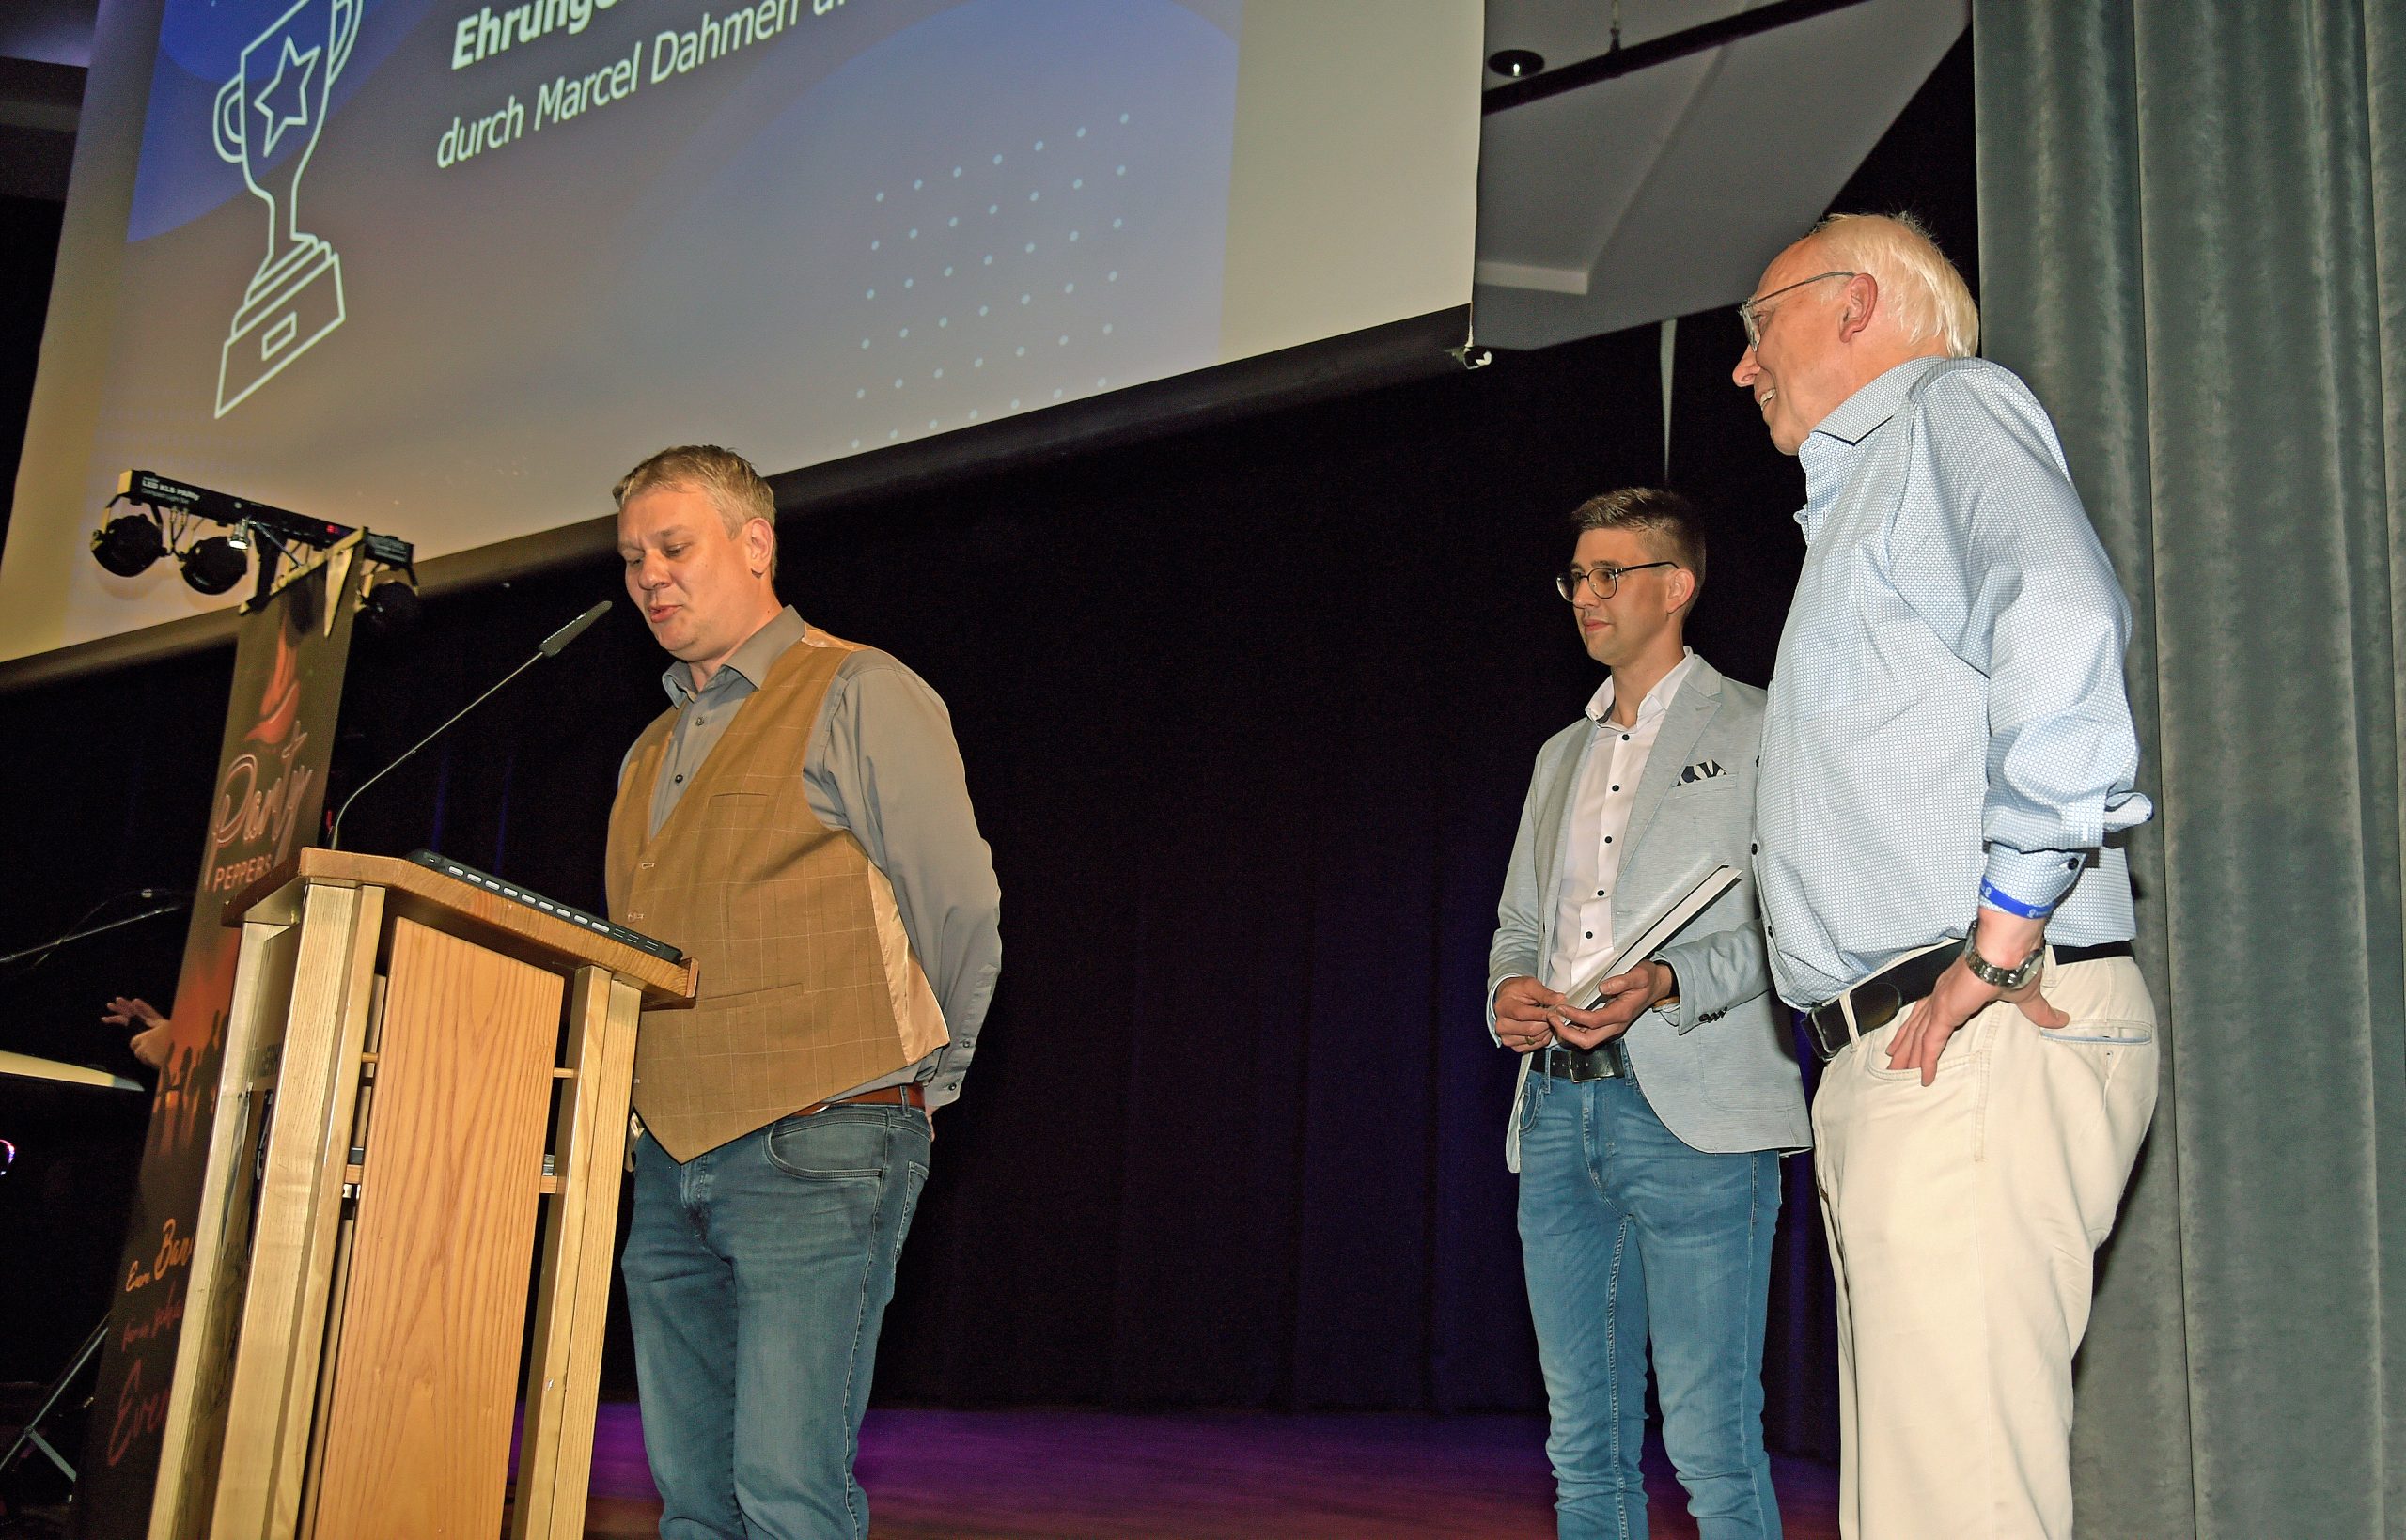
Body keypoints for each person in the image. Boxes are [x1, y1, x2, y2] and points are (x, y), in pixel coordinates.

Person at [1733, 212, 2157, 1540]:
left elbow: (2062, 611)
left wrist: (2001, 932)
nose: (1742, 366)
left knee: (1955, 1505)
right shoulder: (1865, 499)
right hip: (1908, 1048)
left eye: (1758, 326)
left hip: (1969, 1026)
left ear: (1855, 304)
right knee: (1921, 1502)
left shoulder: (1945, 409)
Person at [603, 444, 1001, 1540]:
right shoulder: (645, 751)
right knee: (694, 1503)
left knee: (787, 1494)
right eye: (632, 558)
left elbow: (958, 903)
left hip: (822, 1136)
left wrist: (924, 1077)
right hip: (666, 1157)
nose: (648, 575)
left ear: (754, 544)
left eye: (672, 546)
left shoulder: (858, 689)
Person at [1489, 489, 1809, 1540]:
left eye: (1608, 574)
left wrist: (1670, 979)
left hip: (1698, 1120)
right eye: (1575, 577)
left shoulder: (1762, 725)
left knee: (1712, 1446)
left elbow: (1798, 919)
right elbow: (1519, 924)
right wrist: (1508, 993)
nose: (1585, 595)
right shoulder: (1558, 755)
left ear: (1676, 586)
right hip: (1556, 1113)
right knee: (1582, 1447)